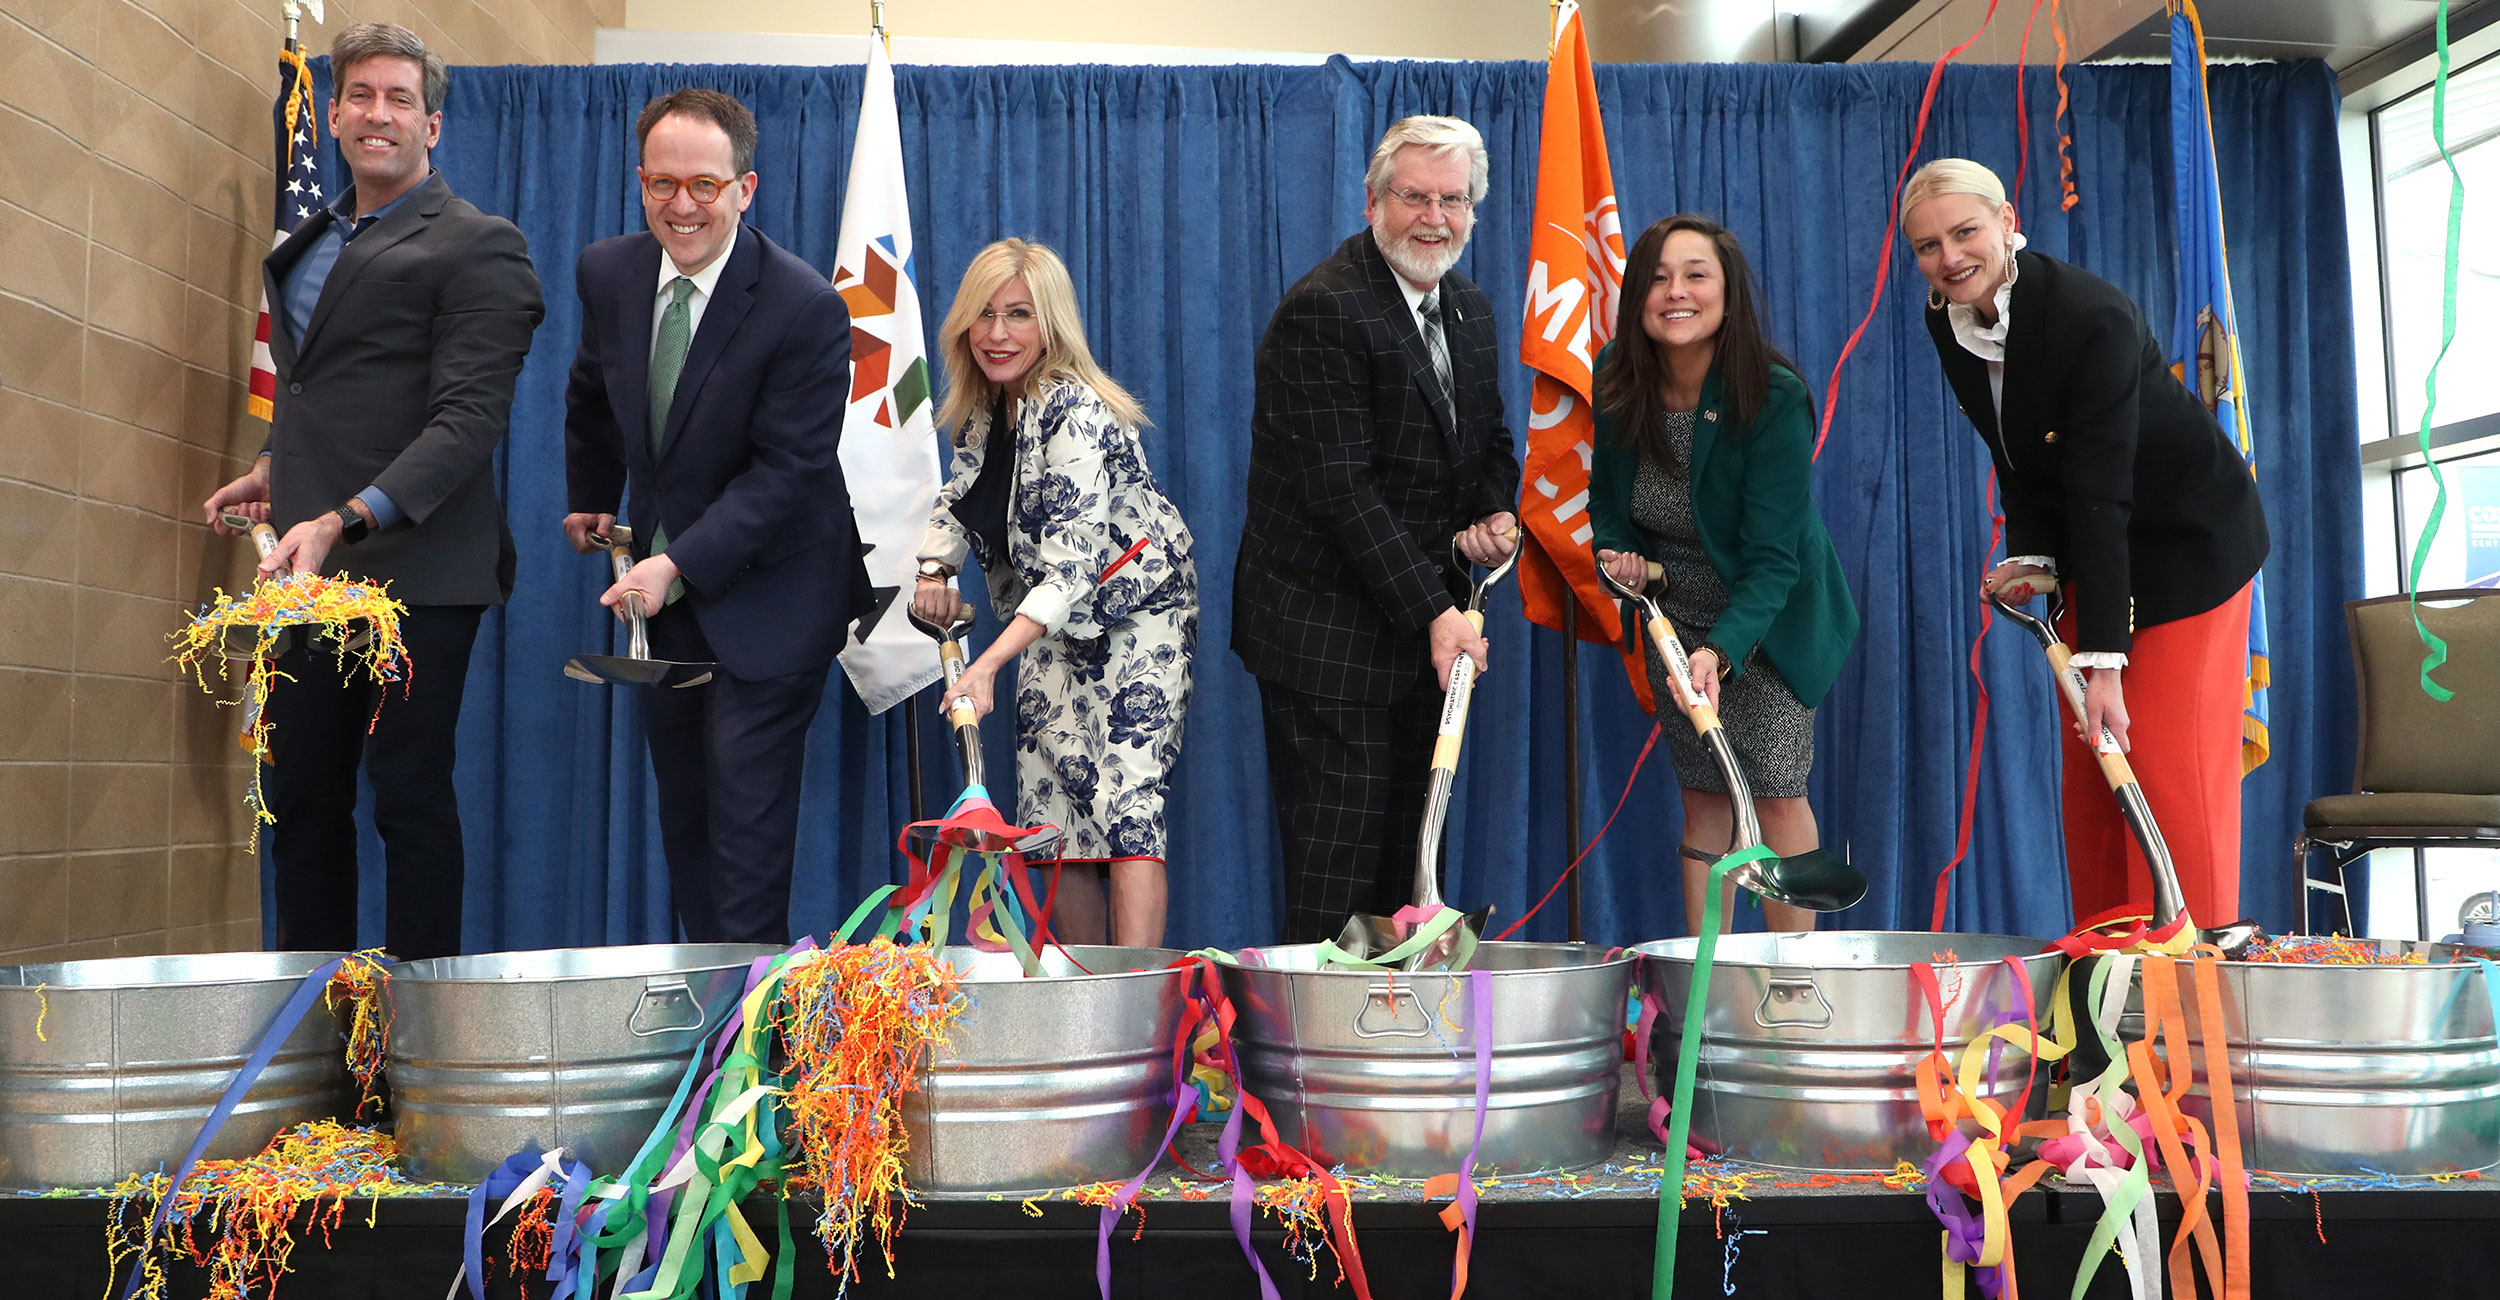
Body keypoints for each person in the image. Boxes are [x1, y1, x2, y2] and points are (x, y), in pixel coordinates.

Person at [201, 22, 543, 960]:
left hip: (421, 572)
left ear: (433, 124)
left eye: (400, 98)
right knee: (303, 797)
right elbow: (327, 384)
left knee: (408, 795)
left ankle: (418, 1050)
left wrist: (339, 518)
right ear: (336, 114)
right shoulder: (311, 238)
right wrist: (278, 469)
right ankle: (320, 1042)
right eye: (360, 95)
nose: (377, 113)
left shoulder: (482, 246)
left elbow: (467, 425)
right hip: (310, 572)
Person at [1900, 158, 2268, 926]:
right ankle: (2104, 1010)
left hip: (2188, 547)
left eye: (1965, 232)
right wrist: (2034, 553)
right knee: (2097, 781)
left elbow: (2103, 488)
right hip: (2095, 550)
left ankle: (2192, 1002)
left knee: (2166, 776)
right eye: (1928, 246)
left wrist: (2103, 659)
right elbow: (2016, 446)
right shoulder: (1947, 315)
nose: (1950, 257)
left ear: (2006, 223)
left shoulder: (2088, 316)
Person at [562, 88, 875, 945]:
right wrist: (590, 493)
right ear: (639, 183)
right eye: (663, 185)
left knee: (743, 841)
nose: (683, 205)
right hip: (671, 604)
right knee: (689, 831)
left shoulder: (805, 307)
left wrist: (671, 566)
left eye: (705, 184)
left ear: (747, 188)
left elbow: (788, 472)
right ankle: (712, 1033)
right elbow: (594, 387)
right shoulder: (608, 272)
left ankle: (752, 1061)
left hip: (774, 598)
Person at [1236, 116, 1521, 943]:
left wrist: (1495, 517)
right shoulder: (1324, 310)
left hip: (1418, 632)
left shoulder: (1468, 309)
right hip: (1325, 638)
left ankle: (1390, 1057)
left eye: (1453, 199)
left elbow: (1490, 440)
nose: (1434, 217)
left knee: (1410, 875)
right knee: (1337, 879)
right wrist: (1438, 614)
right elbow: (1342, 492)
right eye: (1414, 197)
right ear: (1372, 203)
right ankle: (1310, 1065)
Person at [908, 240, 1198, 948]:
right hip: (1050, 619)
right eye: (984, 315)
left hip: (1137, 615)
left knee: (1126, 807)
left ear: (1052, 325)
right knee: (1055, 805)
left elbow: (1070, 569)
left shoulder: (1074, 408)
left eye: (1018, 315)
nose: (998, 334)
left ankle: (1135, 1009)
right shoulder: (986, 408)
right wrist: (934, 571)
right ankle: (1081, 1002)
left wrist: (983, 668)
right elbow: (960, 495)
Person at [1588, 215, 1859, 936]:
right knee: (1704, 794)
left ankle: (1793, 986)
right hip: (1671, 617)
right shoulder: (1618, 372)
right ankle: (1701, 988)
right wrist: (1618, 559)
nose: (1675, 292)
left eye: (1695, 275)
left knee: (1772, 789)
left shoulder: (1771, 396)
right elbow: (1609, 510)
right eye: (1657, 277)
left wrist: (1721, 652)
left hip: (1765, 622)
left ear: (1729, 295)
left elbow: (1775, 561)